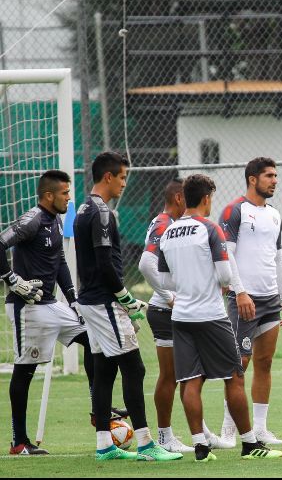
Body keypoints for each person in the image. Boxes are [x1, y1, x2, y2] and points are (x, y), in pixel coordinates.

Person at [158, 174, 282, 462]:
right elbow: (226, 275)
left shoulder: (169, 232)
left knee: (191, 380)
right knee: (235, 376)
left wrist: (188, 281)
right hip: (211, 316)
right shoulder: (209, 228)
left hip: (182, 316)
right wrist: (211, 280)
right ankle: (250, 444)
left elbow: (164, 279)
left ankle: (200, 446)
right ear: (205, 198)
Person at [74, 151, 181, 461]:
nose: (124, 183)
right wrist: (127, 300)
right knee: (134, 367)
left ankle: (104, 445)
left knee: (105, 370)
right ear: (108, 176)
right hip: (104, 302)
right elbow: (106, 265)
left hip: (91, 301)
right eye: (121, 177)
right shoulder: (102, 212)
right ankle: (148, 444)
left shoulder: (83, 209)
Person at [1, 170, 109, 455]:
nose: (69, 197)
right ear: (49, 195)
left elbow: (59, 261)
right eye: (64, 193)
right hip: (28, 308)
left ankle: (98, 410)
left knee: (94, 341)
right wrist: (11, 279)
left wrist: (72, 299)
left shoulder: (57, 220)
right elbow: (0, 243)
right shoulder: (32, 219)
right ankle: (19, 441)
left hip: (52, 304)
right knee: (25, 371)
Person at [219, 157, 282, 447]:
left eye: (276, 175)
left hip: (270, 300)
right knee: (239, 364)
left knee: (264, 362)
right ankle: (229, 429)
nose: (275, 180)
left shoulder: (274, 214)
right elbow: (227, 256)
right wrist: (239, 292)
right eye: (269, 176)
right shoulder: (235, 210)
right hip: (244, 300)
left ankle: (261, 428)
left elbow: (278, 260)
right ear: (253, 179)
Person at [137, 178, 194, 453]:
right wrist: (169, 295)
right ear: (180, 199)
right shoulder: (164, 224)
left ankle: (198, 430)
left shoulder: (166, 223)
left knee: (188, 374)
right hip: (164, 310)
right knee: (170, 376)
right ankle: (164, 436)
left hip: (171, 309)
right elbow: (146, 264)